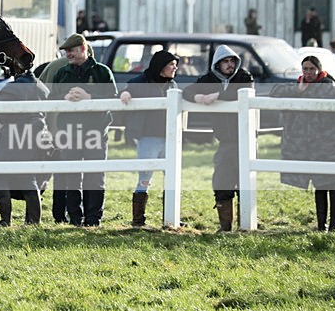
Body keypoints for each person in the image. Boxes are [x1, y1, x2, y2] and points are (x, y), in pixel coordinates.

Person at [270, 56, 335, 232]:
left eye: (311, 69)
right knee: (320, 185)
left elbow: (318, 94)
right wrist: (297, 88)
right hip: (313, 146)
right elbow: (274, 92)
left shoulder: (328, 84)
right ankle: (322, 226)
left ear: (318, 70)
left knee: (334, 184)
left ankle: (334, 226)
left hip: (330, 143)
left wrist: (298, 90)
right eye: (305, 69)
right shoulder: (299, 85)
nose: (308, 72)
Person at [47, 33, 117, 227]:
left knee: (95, 176)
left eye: (71, 50)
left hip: (95, 132)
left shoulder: (102, 72)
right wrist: (64, 98)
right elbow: (50, 99)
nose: (68, 54)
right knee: (71, 176)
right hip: (69, 133)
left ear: (83, 49)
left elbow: (113, 99)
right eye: (66, 51)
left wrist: (89, 97)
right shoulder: (61, 73)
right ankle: (75, 218)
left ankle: (93, 219)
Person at [183, 46, 254, 232]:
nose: (230, 65)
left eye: (232, 61)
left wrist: (218, 95)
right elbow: (187, 92)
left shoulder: (244, 76)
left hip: (245, 140)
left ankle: (245, 225)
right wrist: (197, 96)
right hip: (225, 141)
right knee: (222, 180)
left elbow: (245, 91)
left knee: (244, 182)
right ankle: (225, 227)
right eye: (225, 61)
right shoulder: (208, 80)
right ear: (218, 64)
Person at [119, 50, 179, 227]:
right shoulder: (140, 81)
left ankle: (171, 217)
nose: (175, 68)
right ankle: (138, 219)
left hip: (169, 136)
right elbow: (125, 92)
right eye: (171, 65)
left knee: (172, 176)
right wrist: (125, 95)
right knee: (145, 176)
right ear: (161, 66)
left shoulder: (172, 85)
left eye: (176, 65)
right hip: (148, 137)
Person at [0, 70, 50, 226]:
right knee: (28, 177)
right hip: (37, 135)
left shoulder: (13, 86)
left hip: (12, 134)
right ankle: (33, 222)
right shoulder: (42, 87)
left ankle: (5, 220)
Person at [38, 46, 70, 223]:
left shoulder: (52, 66)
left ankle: (39, 209)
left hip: (49, 126)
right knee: (65, 174)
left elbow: (40, 89)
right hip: (67, 128)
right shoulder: (70, 68)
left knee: (46, 171)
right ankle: (62, 213)